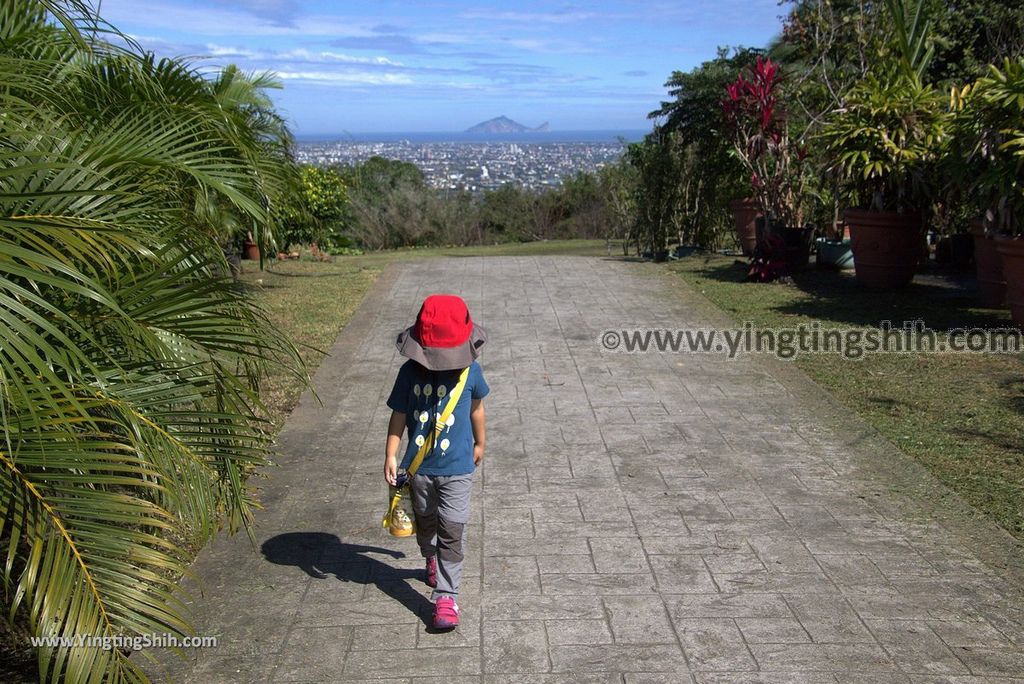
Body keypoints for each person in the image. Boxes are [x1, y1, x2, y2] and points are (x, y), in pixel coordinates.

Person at [384, 294, 489, 630]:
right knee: (427, 527)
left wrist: (481, 442)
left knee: (452, 530)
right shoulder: (408, 373)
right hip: (418, 469)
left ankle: (446, 596)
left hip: (458, 469)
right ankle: (430, 557)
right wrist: (390, 453)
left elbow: (477, 409)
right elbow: (399, 415)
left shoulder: (471, 372)